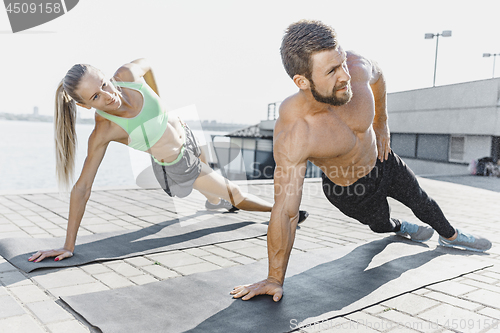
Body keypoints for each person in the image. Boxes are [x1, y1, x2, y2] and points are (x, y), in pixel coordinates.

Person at [231, 20, 492, 302]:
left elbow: (378, 77)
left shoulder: (356, 67)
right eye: (331, 71)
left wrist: (381, 120)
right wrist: (274, 277)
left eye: (341, 62)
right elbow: (286, 211)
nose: (344, 75)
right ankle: (398, 228)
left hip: (383, 160)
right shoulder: (297, 130)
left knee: (423, 201)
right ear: (302, 82)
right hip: (348, 190)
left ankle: (451, 236)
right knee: (380, 223)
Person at [29, 59, 307, 263]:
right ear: (85, 105)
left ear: (105, 73)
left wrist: (158, 98)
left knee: (214, 180)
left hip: (187, 134)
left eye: (103, 84)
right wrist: (68, 245)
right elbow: (83, 187)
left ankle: (214, 199)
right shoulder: (105, 130)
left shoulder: (127, 75)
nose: (109, 95)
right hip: (177, 167)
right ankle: (281, 211)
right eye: (96, 97)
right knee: (236, 193)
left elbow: (147, 65)